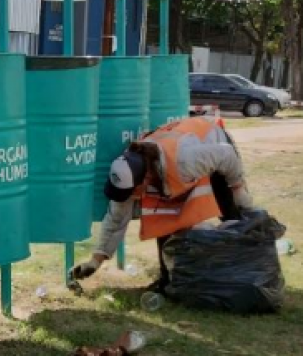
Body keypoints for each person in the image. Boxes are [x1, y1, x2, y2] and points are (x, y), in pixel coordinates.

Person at [70, 116, 256, 292]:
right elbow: (116, 220)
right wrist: (95, 261)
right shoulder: (128, 173)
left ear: (145, 179)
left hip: (213, 142)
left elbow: (226, 154)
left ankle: (248, 270)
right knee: (164, 220)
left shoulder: (185, 161)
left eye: (131, 191)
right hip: (183, 162)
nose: (130, 197)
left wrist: (237, 188)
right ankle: (169, 280)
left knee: (232, 214)